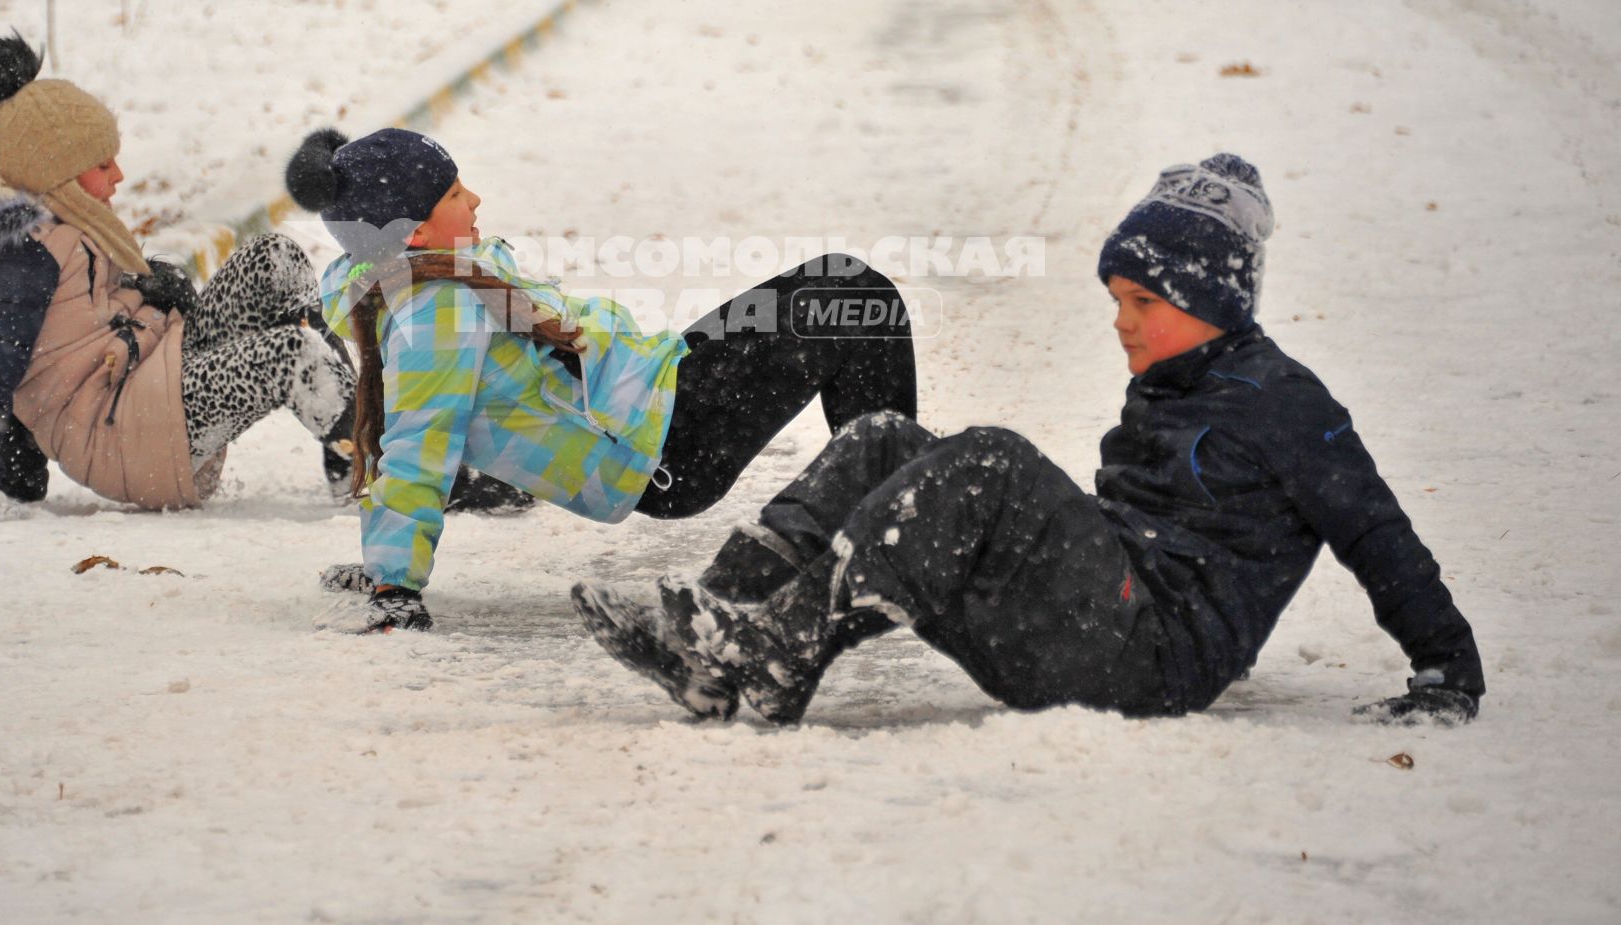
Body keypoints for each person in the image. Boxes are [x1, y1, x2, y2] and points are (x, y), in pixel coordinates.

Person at [572, 154, 1485, 728]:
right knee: (887, 437)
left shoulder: (1285, 403)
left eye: (1145, 304)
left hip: (1154, 659)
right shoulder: (1172, 384)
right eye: (1117, 302)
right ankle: (720, 620)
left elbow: (1375, 529)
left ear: (1216, 304)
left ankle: (781, 653)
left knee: (991, 458)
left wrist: (1446, 663)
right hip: (1092, 628)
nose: (1122, 324)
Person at [285, 127, 918, 633]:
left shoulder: (431, 274)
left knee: (843, 286)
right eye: (453, 194)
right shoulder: (435, 310)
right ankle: (904, 527)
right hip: (664, 445)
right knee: (854, 300)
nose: (474, 198)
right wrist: (392, 581)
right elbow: (418, 441)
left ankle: (899, 513)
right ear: (414, 232)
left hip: (657, 388)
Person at [0, 33, 357, 521]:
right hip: (128, 431)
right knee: (292, 355)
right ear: (57, 172)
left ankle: (356, 440)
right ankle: (384, 474)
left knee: (276, 259)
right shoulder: (17, 256)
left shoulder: (68, 225)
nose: (118, 174)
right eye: (102, 163)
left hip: (149, 383)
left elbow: (85, 317)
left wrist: (152, 290)